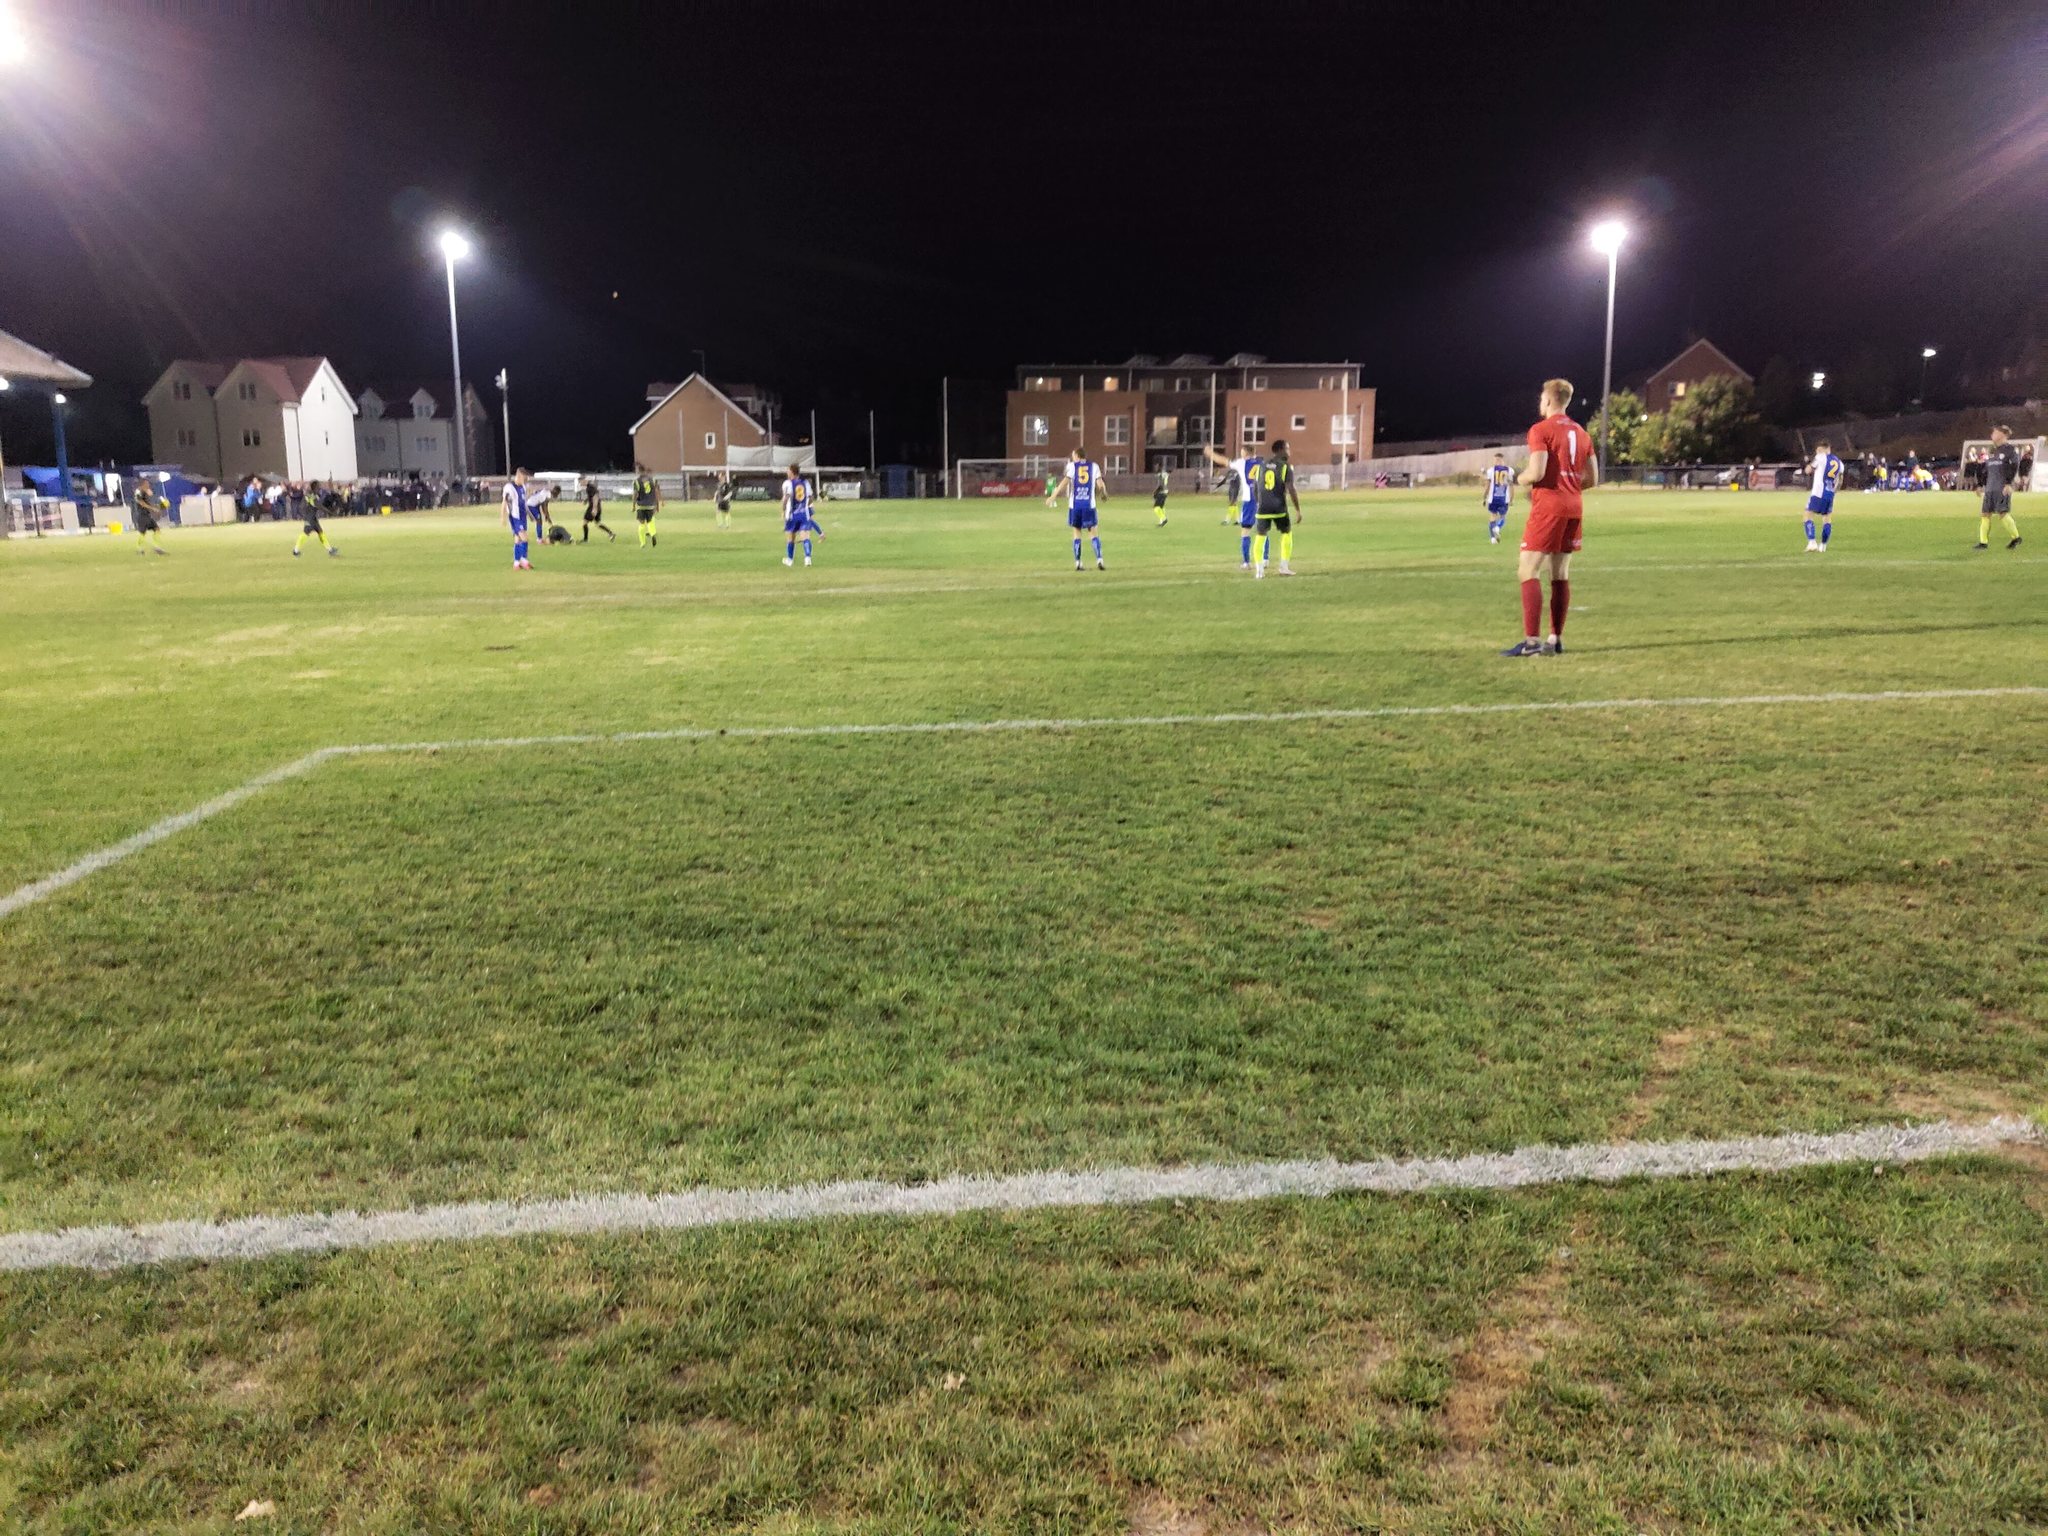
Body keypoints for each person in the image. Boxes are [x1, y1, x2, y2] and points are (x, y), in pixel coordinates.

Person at [1503, 378, 1596, 657]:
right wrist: (1568, 486)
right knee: (1560, 573)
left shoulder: (1540, 430)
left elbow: (1537, 472)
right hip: (1574, 507)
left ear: (1548, 400)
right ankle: (1554, 639)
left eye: (1541, 398)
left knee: (1527, 570)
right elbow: (1593, 478)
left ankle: (1531, 642)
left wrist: (1521, 479)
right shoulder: (1581, 433)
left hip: (1549, 508)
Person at [1202, 442, 1263, 569]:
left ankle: (1246, 562)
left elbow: (1224, 461)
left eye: (1242, 451)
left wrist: (1210, 453)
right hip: (1263, 500)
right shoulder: (1261, 462)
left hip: (1249, 500)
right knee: (1262, 530)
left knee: (1245, 531)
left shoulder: (1241, 463)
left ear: (1245, 453)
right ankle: (1265, 559)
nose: (1240, 453)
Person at [1251, 438, 1301, 578]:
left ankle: (1259, 571)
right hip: (1279, 507)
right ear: (1280, 450)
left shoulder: (1261, 465)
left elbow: (1256, 487)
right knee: (1286, 533)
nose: (1289, 452)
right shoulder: (1286, 467)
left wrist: (1259, 502)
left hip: (1262, 507)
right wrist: (1297, 510)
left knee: (1260, 537)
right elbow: (1291, 489)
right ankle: (1284, 567)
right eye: (1287, 448)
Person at [1050, 448, 1106, 570]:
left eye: (1073, 455)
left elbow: (1065, 481)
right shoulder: (1094, 466)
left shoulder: (1072, 466)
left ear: (1077, 455)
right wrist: (1103, 492)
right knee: (1093, 533)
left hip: (1075, 506)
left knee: (1077, 533)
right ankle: (1099, 560)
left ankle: (1078, 563)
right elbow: (1100, 483)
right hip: (1089, 505)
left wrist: (1053, 496)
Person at [1976, 426, 2023, 551]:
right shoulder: (1993, 451)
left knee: (2003, 513)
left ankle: (2016, 537)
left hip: (2001, 487)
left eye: (1995, 432)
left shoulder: (2009, 450)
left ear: (2002, 434)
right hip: (1990, 488)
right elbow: (1986, 470)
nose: (1992, 434)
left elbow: (2014, 466)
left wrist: (2008, 483)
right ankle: (1983, 542)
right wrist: (1981, 485)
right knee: (1985, 514)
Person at [1803, 439, 1843, 552]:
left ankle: (1812, 542)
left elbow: (1808, 470)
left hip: (1818, 493)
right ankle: (1823, 546)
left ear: (1824, 449)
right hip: (1830, 493)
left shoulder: (1820, 457)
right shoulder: (1839, 462)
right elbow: (1840, 481)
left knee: (1808, 515)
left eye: (1818, 450)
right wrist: (1834, 492)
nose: (1817, 452)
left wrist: (1809, 464)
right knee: (1827, 519)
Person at [781, 463, 817, 566]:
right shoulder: (805, 483)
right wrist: (805, 506)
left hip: (792, 515)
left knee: (791, 537)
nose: (787, 472)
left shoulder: (787, 483)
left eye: (788, 470)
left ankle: (790, 560)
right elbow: (811, 498)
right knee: (805, 537)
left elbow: (786, 498)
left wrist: (783, 510)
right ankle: (808, 558)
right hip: (804, 514)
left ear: (792, 472)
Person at [294, 478, 338, 558]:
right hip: (310, 518)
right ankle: (296, 550)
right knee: (305, 533)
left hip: (312, 518)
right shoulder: (312, 496)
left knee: (320, 532)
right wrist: (329, 512)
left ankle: (330, 550)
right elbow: (318, 506)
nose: (319, 488)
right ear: (315, 487)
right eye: (318, 486)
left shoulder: (310, 494)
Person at [503, 466, 534, 570]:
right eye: (524, 478)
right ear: (519, 476)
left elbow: (523, 503)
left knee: (518, 539)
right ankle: (524, 561)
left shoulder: (523, 487)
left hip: (523, 516)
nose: (525, 480)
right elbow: (504, 502)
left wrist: (529, 515)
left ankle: (516, 563)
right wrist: (503, 517)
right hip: (515, 517)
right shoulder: (509, 487)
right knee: (525, 538)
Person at [131, 478, 169, 555]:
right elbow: (142, 503)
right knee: (143, 533)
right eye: (147, 484)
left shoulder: (145, 492)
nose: (148, 485)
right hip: (142, 515)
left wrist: (157, 506)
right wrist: (153, 508)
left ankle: (157, 548)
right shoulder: (138, 492)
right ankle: (139, 549)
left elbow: (148, 501)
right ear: (143, 484)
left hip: (147, 515)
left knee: (156, 529)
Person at [1483, 452, 1514, 544]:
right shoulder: (1509, 470)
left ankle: (1492, 538)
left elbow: (1487, 486)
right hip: (1504, 498)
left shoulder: (1491, 471)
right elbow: (1511, 485)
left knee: (1493, 516)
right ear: (1502, 460)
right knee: (1503, 517)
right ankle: (1498, 527)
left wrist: (1484, 497)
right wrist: (1512, 499)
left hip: (1493, 498)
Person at [631, 464, 660, 547]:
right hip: (650, 505)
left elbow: (635, 494)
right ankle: (653, 533)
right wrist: (657, 505)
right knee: (650, 521)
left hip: (641, 505)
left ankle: (642, 543)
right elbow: (656, 493)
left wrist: (633, 505)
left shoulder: (637, 481)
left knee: (641, 523)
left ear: (639, 471)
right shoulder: (653, 480)